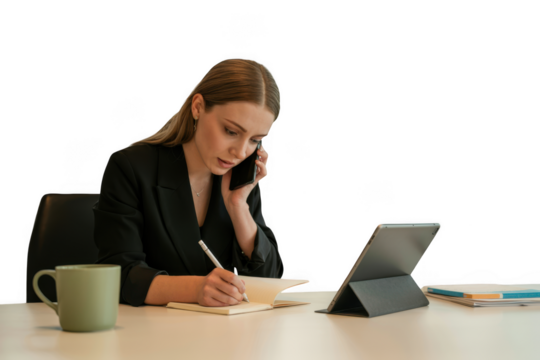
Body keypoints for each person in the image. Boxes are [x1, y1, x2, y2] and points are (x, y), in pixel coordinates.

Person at [92, 58, 283, 307]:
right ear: (198, 107)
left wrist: (238, 207)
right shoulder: (131, 167)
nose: (240, 152)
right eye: (231, 131)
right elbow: (118, 275)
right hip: (147, 335)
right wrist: (194, 289)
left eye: (255, 139)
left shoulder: (238, 177)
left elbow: (268, 278)